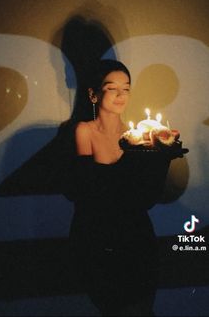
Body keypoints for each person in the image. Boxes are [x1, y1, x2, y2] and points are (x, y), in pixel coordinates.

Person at [61, 59, 172, 316]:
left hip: (136, 237)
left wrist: (162, 159)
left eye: (127, 88)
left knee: (143, 308)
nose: (121, 95)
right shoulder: (83, 131)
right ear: (93, 93)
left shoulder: (138, 136)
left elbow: (146, 198)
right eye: (113, 88)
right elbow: (87, 190)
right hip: (98, 239)